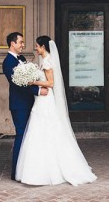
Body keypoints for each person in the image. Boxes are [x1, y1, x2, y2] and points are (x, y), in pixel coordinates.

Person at [15, 35, 97, 186]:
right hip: (41, 100)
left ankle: (45, 171)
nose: (35, 48)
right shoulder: (45, 60)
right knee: (41, 130)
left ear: (43, 47)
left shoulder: (47, 61)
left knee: (44, 130)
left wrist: (33, 81)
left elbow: (51, 83)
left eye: (37, 46)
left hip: (45, 101)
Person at [3, 32, 49, 182]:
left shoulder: (22, 59)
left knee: (30, 137)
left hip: (31, 103)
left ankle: (28, 169)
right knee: (21, 135)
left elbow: (29, 79)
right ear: (12, 43)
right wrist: (37, 90)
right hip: (19, 105)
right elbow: (18, 84)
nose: (23, 45)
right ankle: (16, 171)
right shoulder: (8, 62)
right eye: (20, 42)